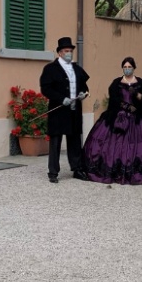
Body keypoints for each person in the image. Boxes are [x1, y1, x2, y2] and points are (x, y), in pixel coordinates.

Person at [82, 57, 142, 184]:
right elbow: (114, 100)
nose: (127, 69)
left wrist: (138, 97)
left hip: (139, 116)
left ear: (134, 68)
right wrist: (127, 107)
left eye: (129, 67)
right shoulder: (116, 83)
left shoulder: (141, 83)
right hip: (118, 115)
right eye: (125, 67)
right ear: (122, 68)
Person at [39, 36, 90, 183]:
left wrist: (83, 94)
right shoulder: (50, 69)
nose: (69, 53)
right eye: (66, 51)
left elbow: (85, 87)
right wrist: (61, 98)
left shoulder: (77, 69)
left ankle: (77, 169)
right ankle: (53, 172)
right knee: (55, 141)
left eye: (70, 51)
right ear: (60, 53)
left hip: (74, 110)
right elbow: (46, 88)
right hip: (58, 110)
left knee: (74, 140)